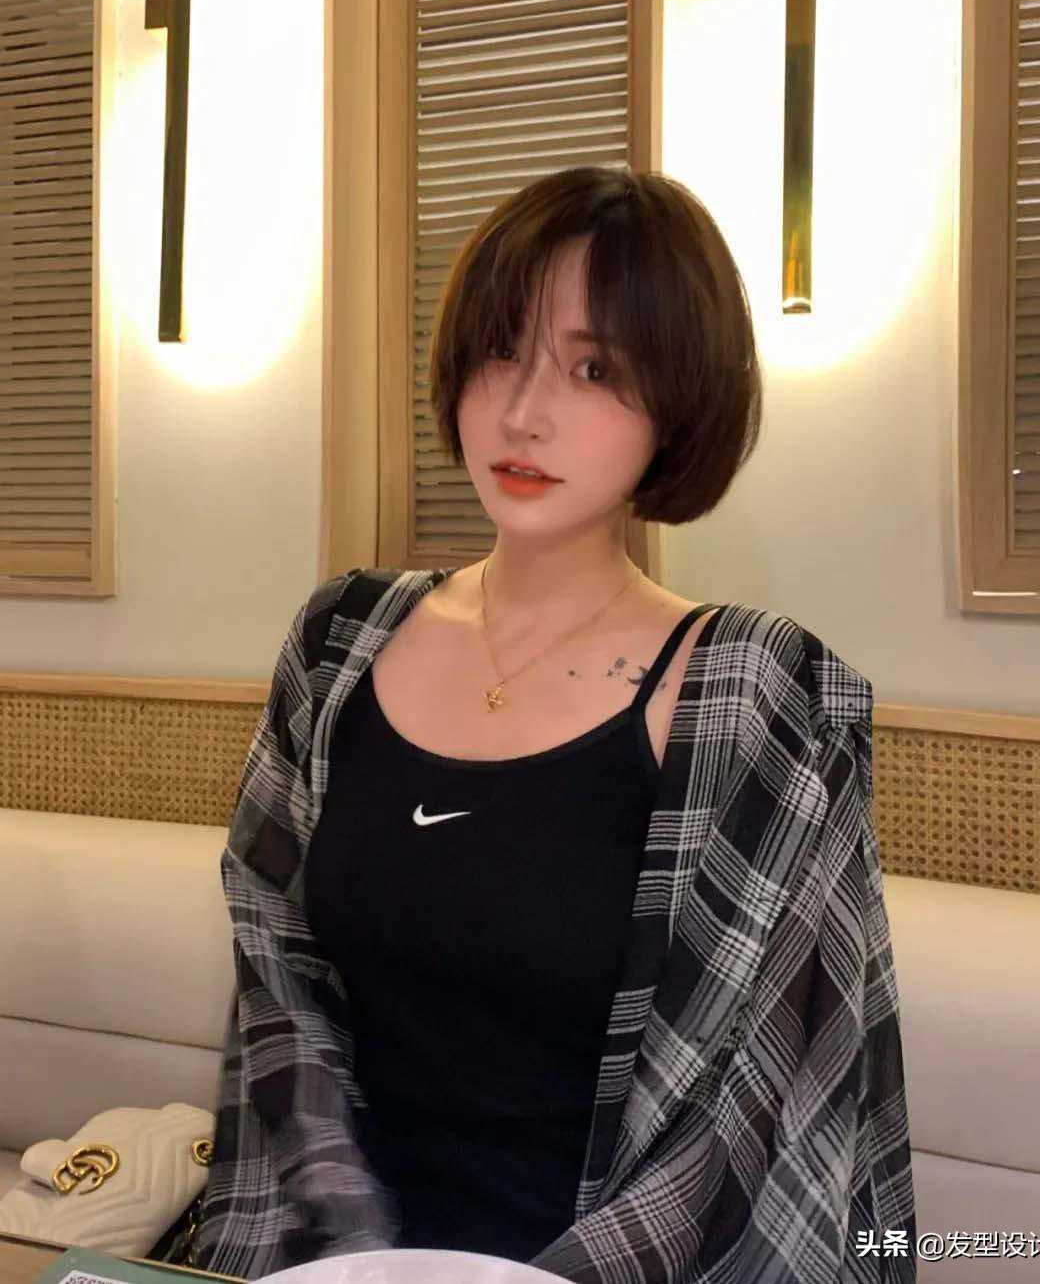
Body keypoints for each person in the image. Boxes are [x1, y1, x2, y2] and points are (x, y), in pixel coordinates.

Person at [190, 167, 917, 1282]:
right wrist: (358, 1262)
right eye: (500, 351)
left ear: (678, 402)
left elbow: (755, 1114)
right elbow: (278, 994)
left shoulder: (757, 695)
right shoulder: (338, 644)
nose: (524, 412)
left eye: (593, 368)